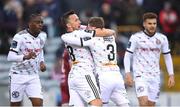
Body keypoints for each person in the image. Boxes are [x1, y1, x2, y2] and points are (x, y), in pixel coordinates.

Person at [60, 10, 115, 106]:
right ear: (69, 25)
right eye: (76, 20)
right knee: (97, 103)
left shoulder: (65, 36)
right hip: (84, 74)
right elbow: (107, 32)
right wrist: (108, 31)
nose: (80, 22)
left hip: (73, 76)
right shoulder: (81, 33)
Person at [124, 12, 175, 106]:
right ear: (144, 24)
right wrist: (127, 73)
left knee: (150, 104)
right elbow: (127, 55)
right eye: (149, 23)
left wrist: (171, 75)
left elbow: (167, 57)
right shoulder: (136, 38)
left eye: (154, 23)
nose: (152, 26)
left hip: (155, 76)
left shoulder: (162, 38)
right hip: (140, 75)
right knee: (143, 103)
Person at [84, 17, 130, 106]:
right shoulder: (111, 37)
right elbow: (111, 31)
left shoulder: (91, 40)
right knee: (124, 104)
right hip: (117, 74)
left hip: (104, 75)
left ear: (93, 28)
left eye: (89, 27)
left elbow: (79, 37)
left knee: (101, 104)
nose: (88, 29)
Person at [7, 13, 47, 106]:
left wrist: (41, 62)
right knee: (15, 105)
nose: (41, 24)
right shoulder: (19, 36)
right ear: (29, 24)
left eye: (42, 22)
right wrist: (25, 57)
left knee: (38, 103)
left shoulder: (43, 36)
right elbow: (10, 57)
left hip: (33, 76)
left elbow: (40, 50)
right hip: (18, 75)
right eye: (37, 22)